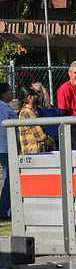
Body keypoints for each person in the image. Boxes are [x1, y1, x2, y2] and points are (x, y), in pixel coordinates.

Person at [18, 86, 55, 154]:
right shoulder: (28, 112)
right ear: (30, 97)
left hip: (35, 153)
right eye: (36, 93)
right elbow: (40, 136)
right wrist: (52, 143)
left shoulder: (31, 111)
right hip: (33, 154)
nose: (38, 96)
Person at [0, 83, 16, 219]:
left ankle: (9, 208)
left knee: (12, 178)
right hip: (4, 147)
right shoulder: (0, 108)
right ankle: (3, 209)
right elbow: (2, 128)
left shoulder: (8, 107)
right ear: (4, 94)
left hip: (12, 147)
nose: (12, 94)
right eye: (10, 92)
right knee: (8, 177)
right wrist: (14, 137)